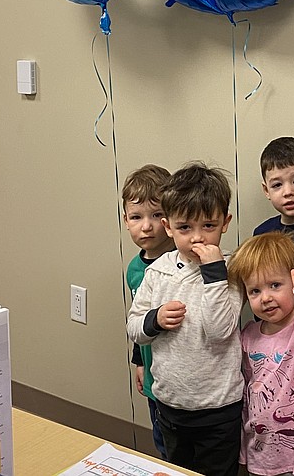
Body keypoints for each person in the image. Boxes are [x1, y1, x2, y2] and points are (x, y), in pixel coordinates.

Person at [127, 162, 243, 476]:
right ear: (168, 227)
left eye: (208, 226)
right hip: (171, 405)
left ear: (225, 223)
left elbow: (219, 331)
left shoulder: (231, 271)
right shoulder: (158, 271)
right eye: (184, 228)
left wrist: (214, 274)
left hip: (219, 409)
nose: (196, 238)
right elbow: (134, 327)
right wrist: (155, 319)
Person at [228, 231, 294, 476]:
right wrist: (244, 452)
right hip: (260, 454)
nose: (265, 298)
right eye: (254, 291)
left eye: (275, 285)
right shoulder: (248, 335)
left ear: (293, 281)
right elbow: (248, 396)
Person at [122, 163, 175, 458]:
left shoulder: (180, 263)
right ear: (125, 220)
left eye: (157, 216)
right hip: (153, 374)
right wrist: (138, 362)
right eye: (136, 217)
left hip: (178, 374)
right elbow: (136, 319)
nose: (147, 226)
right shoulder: (134, 268)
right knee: (162, 443)